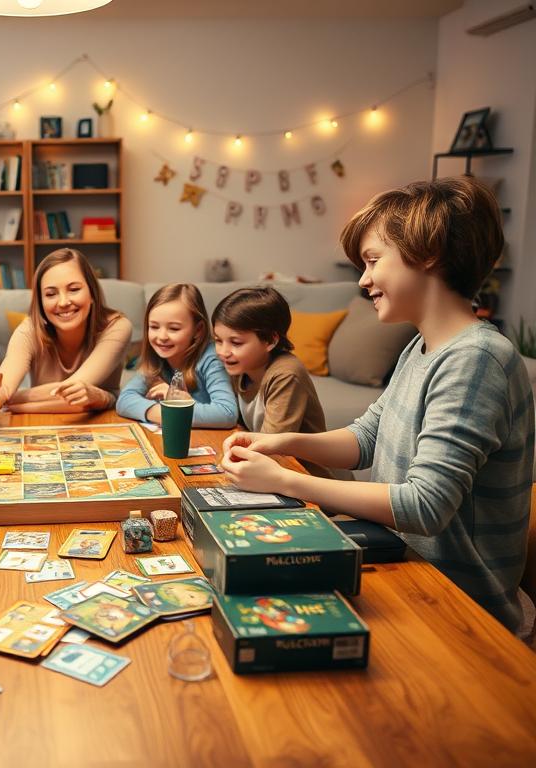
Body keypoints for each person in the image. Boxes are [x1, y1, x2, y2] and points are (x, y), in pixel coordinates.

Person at [219, 177, 534, 634]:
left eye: (371, 261)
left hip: (459, 608)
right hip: (402, 565)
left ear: (428, 254)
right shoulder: (422, 347)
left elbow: (425, 506)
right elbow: (366, 438)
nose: (363, 279)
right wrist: (280, 440)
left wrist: (287, 479)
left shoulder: (476, 360)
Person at [0, 248, 132, 416]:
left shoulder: (117, 327)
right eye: (51, 294)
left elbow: (73, 391)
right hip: (44, 426)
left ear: (92, 293)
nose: (63, 302)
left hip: (102, 423)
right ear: (40, 302)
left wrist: (15, 400)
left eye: (74, 289)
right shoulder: (29, 331)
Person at [211, 286, 332, 478]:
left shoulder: (285, 374)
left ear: (270, 341)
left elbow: (270, 447)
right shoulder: (239, 366)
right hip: (274, 474)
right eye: (218, 340)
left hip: (311, 482)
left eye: (236, 342)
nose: (223, 352)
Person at [116, 283, 235, 427]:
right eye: (154, 327)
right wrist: (165, 413)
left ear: (198, 330)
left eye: (174, 328)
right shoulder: (154, 360)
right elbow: (124, 400)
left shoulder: (211, 359)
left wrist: (177, 404)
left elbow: (227, 413)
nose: (162, 336)